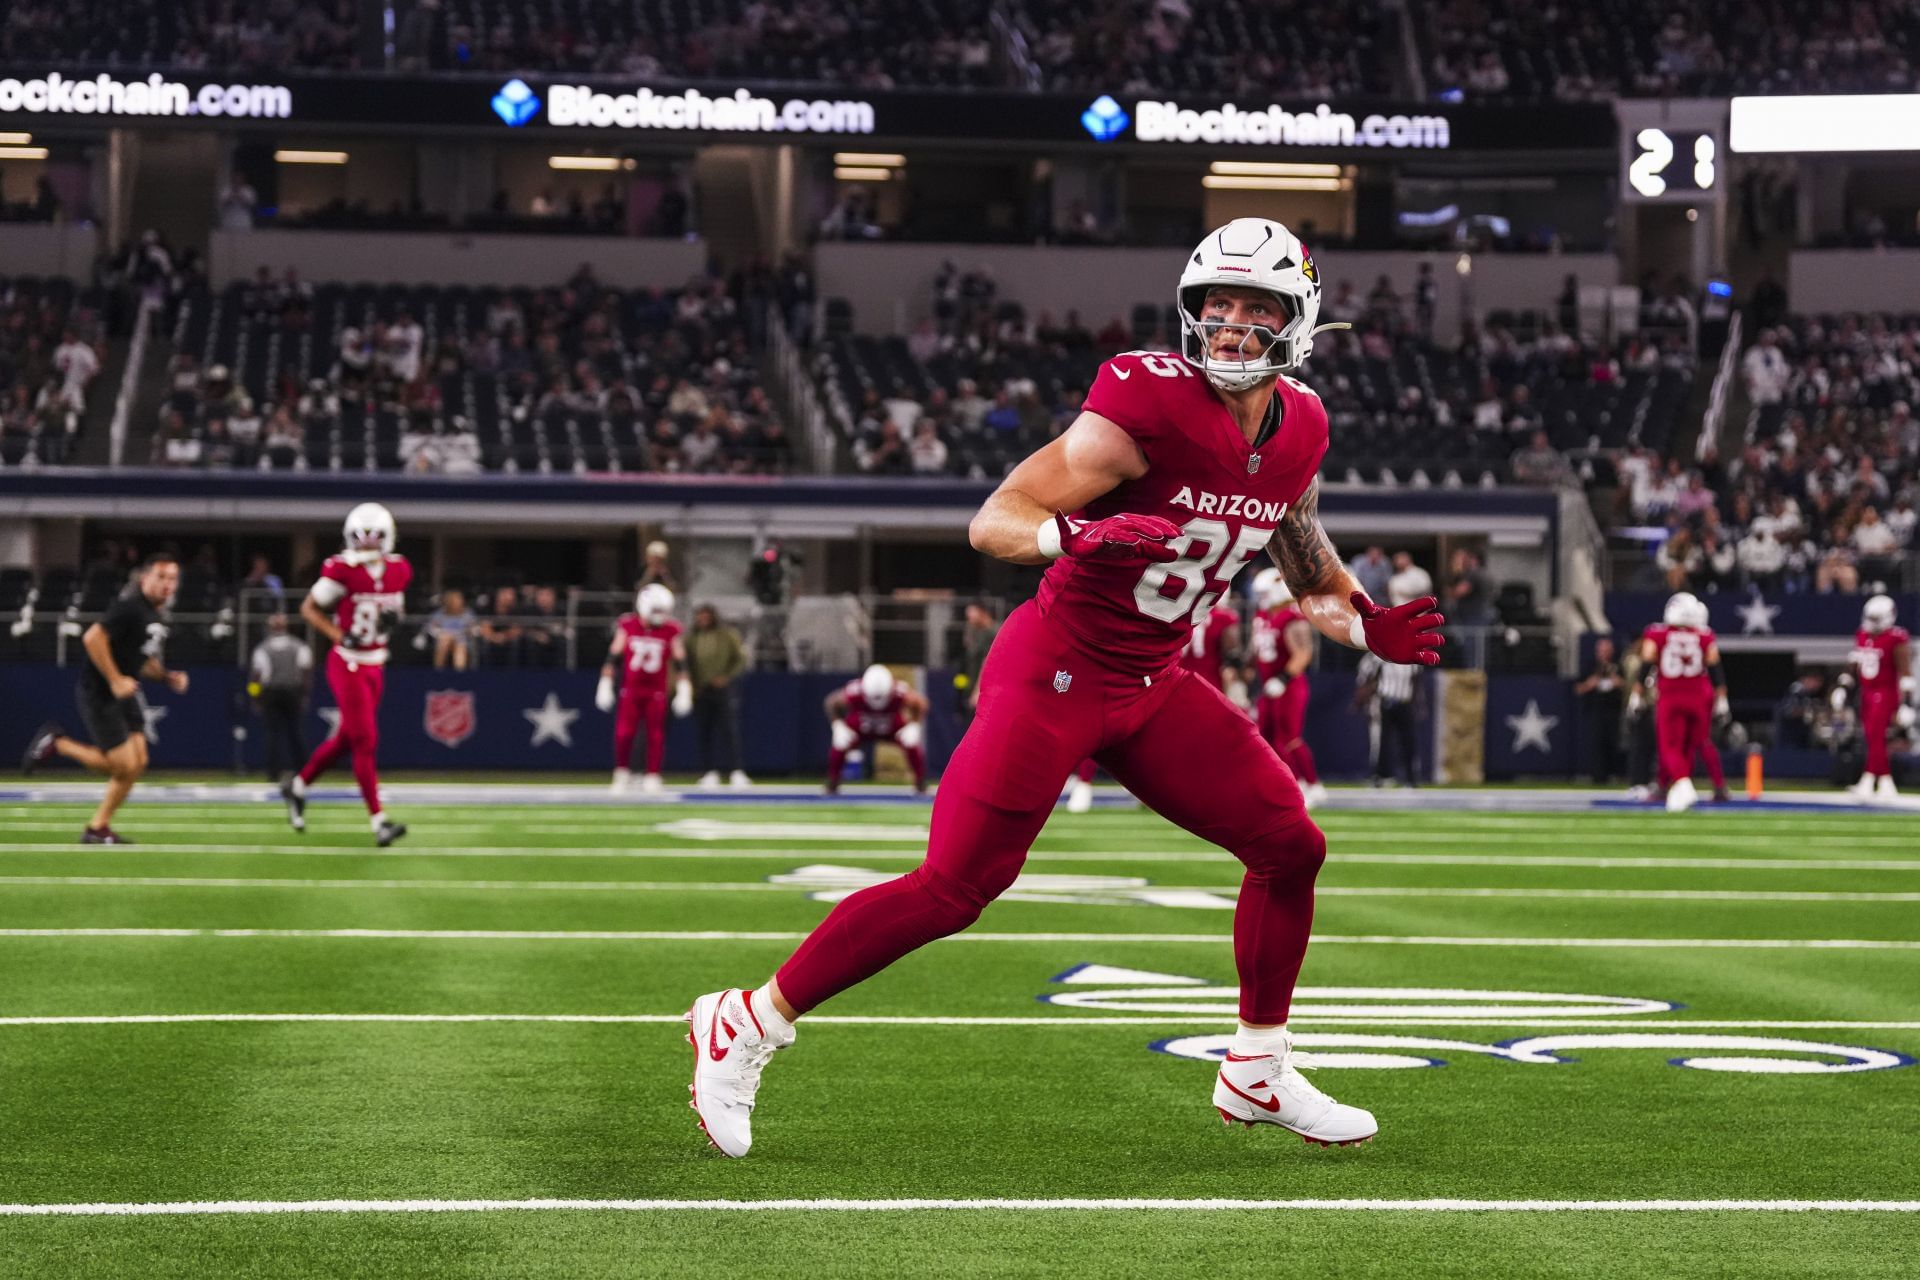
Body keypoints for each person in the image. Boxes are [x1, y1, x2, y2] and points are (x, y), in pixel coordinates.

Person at [681, 218, 1444, 1157]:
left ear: (1299, 320)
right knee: (958, 887)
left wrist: (1366, 625)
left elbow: (1312, 578)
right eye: (1217, 306)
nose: (1233, 326)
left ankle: (1257, 1070)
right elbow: (995, 519)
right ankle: (747, 1022)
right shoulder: (1148, 403)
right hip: (1057, 665)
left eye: (1257, 308)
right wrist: (1071, 537)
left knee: (1291, 846)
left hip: (1156, 680)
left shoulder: (1303, 429)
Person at [22, 553, 188, 843]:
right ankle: (58, 743)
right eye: (161, 576)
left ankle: (98, 828)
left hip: (127, 691)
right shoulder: (130, 606)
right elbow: (92, 638)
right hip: (100, 692)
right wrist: (114, 680)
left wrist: (165, 676)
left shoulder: (154, 613)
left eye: (172, 578)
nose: (167, 584)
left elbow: (140, 659)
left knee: (138, 762)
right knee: (122, 766)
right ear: (145, 577)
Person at [280, 503, 412, 846]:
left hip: (375, 662)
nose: (367, 543)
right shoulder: (342, 569)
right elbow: (308, 608)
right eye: (361, 536)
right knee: (366, 741)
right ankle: (379, 821)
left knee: (348, 739)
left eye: (374, 536)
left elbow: (396, 611)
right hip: (348, 662)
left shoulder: (399, 570)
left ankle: (297, 786)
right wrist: (339, 635)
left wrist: (393, 621)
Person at [1634, 592, 1730, 812]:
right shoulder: (1704, 636)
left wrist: (1637, 693)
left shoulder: (1657, 634)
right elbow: (1716, 669)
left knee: (1670, 746)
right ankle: (1716, 785)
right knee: (1699, 742)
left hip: (1671, 694)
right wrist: (1722, 697)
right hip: (1699, 695)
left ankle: (1682, 783)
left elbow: (1645, 664)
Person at [597, 584, 691, 793]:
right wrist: (604, 682)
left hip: (656, 691)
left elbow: (680, 661)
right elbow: (613, 656)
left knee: (656, 734)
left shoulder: (671, 629)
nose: (661, 616)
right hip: (631, 689)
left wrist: (685, 687)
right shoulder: (628, 625)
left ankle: (653, 774)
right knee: (624, 733)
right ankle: (621, 772)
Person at [1249, 568, 1325, 808]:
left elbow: (1304, 652)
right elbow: (1258, 652)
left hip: (1289, 686)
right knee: (1265, 738)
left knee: (1289, 737)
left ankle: (1311, 784)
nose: (1262, 598)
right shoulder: (1262, 616)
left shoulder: (1292, 617)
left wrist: (1282, 678)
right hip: (1268, 686)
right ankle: (1283, 782)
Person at [1832, 595, 1913, 800]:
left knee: (1876, 736)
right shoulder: (1862, 635)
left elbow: (1905, 671)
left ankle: (1876, 781)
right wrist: (1843, 687)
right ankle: (1878, 782)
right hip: (1867, 692)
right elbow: (1855, 663)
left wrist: (1907, 703)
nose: (1872, 623)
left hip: (1885, 692)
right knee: (1871, 737)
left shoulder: (1897, 638)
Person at [824, 664, 930, 794]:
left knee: (911, 742)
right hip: (860, 729)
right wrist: (838, 725)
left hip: (892, 729)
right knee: (840, 743)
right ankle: (832, 782)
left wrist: (914, 725)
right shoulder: (855, 691)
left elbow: (920, 702)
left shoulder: (899, 691)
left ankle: (920, 782)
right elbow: (831, 702)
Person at [686, 603, 751, 788]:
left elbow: (740, 659)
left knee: (730, 731)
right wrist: (691, 684)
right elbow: (684, 661)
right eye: (700, 616)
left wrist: (726, 677)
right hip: (700, 689)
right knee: (704, 732)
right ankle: (708, 772)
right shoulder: (692, 637)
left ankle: (737, 771)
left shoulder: (727, 634)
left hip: (723, 689)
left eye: (706, 616)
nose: (703, 619)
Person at [249, 612, 312, 780]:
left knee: (273, 734)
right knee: (295, 733)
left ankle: (273, 772)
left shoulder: (263, 648)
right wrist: (304, 695)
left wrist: (255, 697)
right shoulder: (298, 646)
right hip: (292, 692)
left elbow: (256, 677)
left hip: (272, 693)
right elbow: (305, 672)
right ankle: (304, 771)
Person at [1356, 651, 1419, 786]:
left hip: (1404, 702)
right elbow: (1369, 680)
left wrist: (1418, 704)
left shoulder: (1412, 655)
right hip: (1385, 702)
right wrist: (1362, 702)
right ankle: (1381, 775)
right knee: (1382, 741)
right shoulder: (1379, 657)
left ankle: (1410, 777)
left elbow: (1416, 681)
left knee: (1408, 741)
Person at [1574, 636, 1626, 785]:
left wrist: (1618, 682)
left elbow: (1628, 687)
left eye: (1607, 650)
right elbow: (1578, 689)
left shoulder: (1618, 666)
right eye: (1602, 650)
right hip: (1595, 711)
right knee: (1597, 744)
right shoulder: (1589, 666)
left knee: (1615, 743)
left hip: (1614, 711)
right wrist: (1591, 683)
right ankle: (1598, 777)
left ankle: (1616, 774)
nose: (1604, 653)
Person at [954, 599, 999, 726]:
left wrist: (977, 691)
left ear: (982, 612)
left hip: (985, 690)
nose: (969, 617)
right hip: (969, 682)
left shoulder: (993, 632)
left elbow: (987, 663)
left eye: (973, 613)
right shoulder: (972, 629)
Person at [424, 589, 473, 670]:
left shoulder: (467, 614)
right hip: (443, 640)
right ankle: (438, 672)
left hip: (461, 641)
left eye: (460, 600)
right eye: (456, 600)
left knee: (459, 649)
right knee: (444, 642)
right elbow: (431, 628)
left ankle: (459, 675)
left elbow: (474, 628)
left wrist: (465, 632)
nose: (459, 602)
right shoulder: (440, 613)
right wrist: (441, 634)